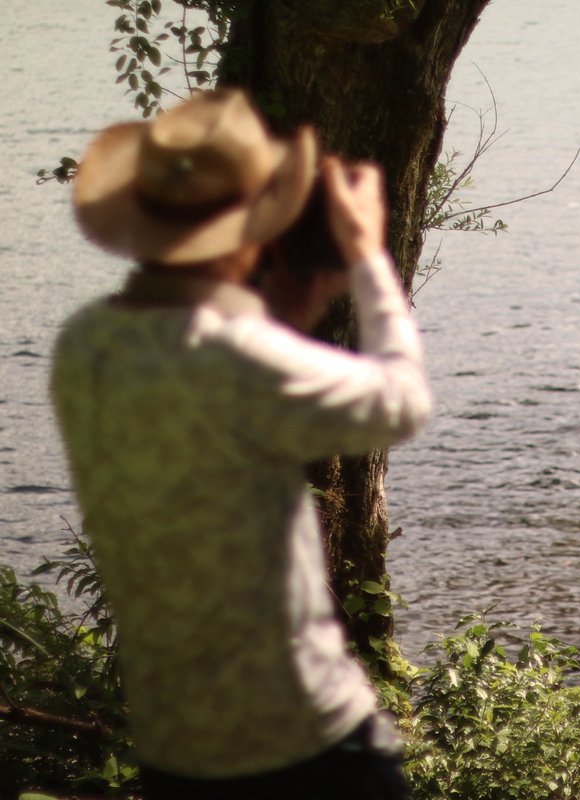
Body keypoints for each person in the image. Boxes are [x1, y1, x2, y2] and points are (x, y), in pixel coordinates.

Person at [51, 89, 430, 798]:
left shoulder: (86, 343)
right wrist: (368, 255)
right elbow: (403, 402)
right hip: (306, 742)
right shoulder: (238, 357)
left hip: (178, 750)